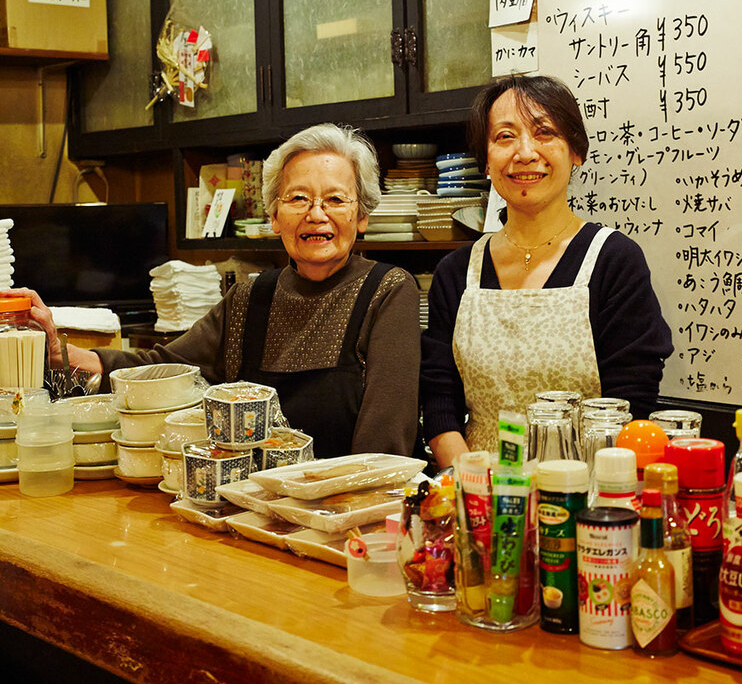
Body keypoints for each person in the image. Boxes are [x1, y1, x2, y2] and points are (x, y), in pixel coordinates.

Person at [5, 124, 421, 459]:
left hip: (341, 520)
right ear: (274, 216)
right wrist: (59, 351)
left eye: (335, 199)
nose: (316, 214)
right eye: (297, 198)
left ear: (362, 215)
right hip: (244, 513)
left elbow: (384, 446)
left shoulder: (387, 290)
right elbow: (162, 367)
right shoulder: (250, 296)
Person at [420, 75, 674, 468]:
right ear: (486, 161)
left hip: (586, 493)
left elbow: (631, 401)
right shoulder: (457, 272)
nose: (525, 152)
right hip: (479, 496)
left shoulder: (613, 260)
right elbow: (438, 399)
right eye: (505, 137)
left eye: (545, 132)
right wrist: (474, 491)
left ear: (576, 151)